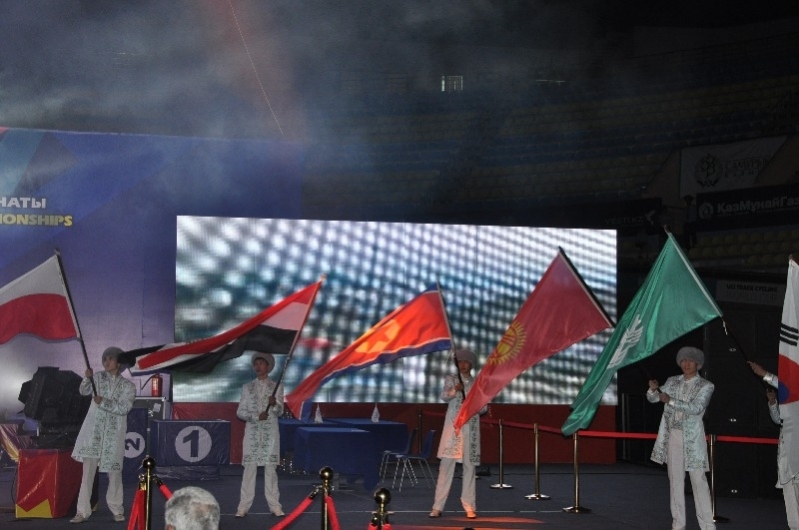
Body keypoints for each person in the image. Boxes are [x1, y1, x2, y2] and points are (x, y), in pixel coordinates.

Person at [647, 346, 715, 530]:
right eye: (683, 360)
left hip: (693, 438)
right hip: (673, 436)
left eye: (690, 360)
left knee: (699, 482)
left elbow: (696, 408)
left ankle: (708, 526)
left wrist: (670, 400)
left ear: (698, 364)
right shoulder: (672, 381)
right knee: (675, 482)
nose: (686, 364)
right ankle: (678, 525)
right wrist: (653, 390)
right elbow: (654, 398)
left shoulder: (706, 385)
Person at [70, 346, 136, 524]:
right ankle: (82, 511)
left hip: (114, 436)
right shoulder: (97, 378)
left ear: (119, 362)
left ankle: (117, 510)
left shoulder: (128, 386)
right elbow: (83, 391)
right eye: (105, 359)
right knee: (87, 475)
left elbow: (125, 408)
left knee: (114, 474)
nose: (106, 362)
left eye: (110, 358)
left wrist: (104, 402)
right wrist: (87, 378)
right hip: (93, 434)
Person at [429, 348, 485, 520]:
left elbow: (483, 408)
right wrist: (455, 390)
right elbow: (444, 396)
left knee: (469, 469)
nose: (463, 365)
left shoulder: (478, 383)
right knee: (446, 468)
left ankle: (469, 506)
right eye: (460, 362)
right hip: (453, 431)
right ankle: (437, 506)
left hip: (470, 429)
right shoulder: (451, 379)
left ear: (471, 365)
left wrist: (474, 402)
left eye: (466, 362)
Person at [749, 361, 799, 529]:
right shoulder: (789, 396)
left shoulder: (793, 391)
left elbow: (790, 389)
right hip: (786, 454)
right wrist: (773, 403)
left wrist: (765, 375)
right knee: (790, 498)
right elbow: (779, 420)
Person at [235, 352, 285, 517]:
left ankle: (275, 506)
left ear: (268, 367)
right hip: (252, 434)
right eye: (256, 364)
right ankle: (243, 507)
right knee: (249, 470)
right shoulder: (247, 387)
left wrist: (275, 404)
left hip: (270, 435)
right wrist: (256, 416)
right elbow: (240, 412)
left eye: (261, 363)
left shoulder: (276, 387)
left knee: (271, 470)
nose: (258, 367)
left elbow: (279, 411)